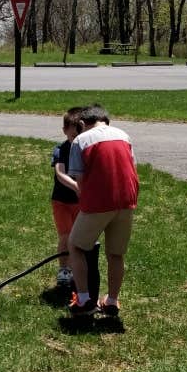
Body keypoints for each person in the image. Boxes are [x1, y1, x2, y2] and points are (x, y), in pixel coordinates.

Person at [65, 104, 139, 318]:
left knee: (75, 245)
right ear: (106, 120)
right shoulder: (124, 135)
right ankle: (112, 302)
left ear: (81, 124)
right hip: (127, 200)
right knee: (116, 253)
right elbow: (131, 167)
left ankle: (84, 300)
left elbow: (80, 180)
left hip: (99, 201)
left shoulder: (81, 140)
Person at [49, 107, 83, 291]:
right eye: (72, 136)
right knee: (65, 235)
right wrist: (76, 186)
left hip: (80, 203)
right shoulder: (61, 150)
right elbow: (60, 173)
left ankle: (77, 268)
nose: (76, 140)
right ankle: (64, 270)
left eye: (79, 136)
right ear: (64, 131)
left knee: (79, 237)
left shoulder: (85, 149)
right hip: (61, 201)